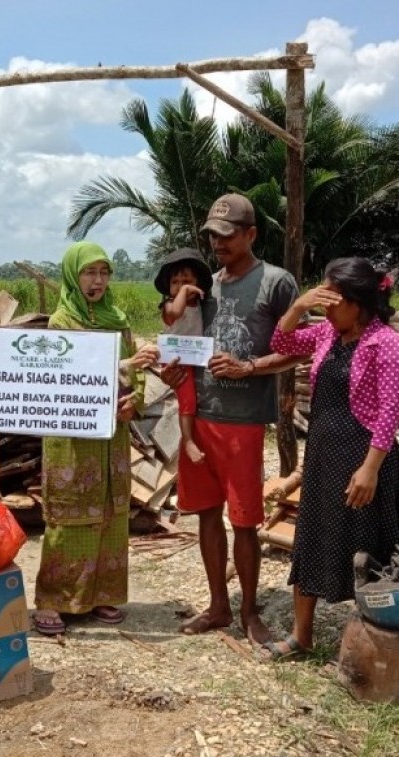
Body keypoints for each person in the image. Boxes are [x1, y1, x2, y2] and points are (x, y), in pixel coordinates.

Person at [164, 194, 302, 645]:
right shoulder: (206, 285)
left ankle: (248, 611)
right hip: (200, 416)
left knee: (244, 520)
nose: (217, 243)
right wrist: (171, 365)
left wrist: (250, 367)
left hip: (243, 422)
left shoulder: (276, 283)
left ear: (250, 235)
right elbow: (184, 340)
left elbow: (298, 347)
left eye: (226, 236)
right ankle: (218, 605)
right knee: (206, 514)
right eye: (212, 236)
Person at [263, 258, 399, 659]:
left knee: (367, 547)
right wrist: (298, 307)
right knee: (310, 538)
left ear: (358, 302)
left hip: (363, 460)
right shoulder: (326, 333)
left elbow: (390, 413)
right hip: (323, 455)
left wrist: (370, 468)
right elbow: (282, 343)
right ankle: (301, 636)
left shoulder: (385, 343)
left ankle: (373, 645)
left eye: (332, 299)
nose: (326, 306)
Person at [32, 242, 153, 636]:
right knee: (70, 514)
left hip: (111, 435)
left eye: (104, 273)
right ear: (73, 275)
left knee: (111, 513)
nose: (98, 280)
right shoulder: (61, 324)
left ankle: (102, 593)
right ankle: (54, 599)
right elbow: (66, 377)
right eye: (89, 272)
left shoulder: (117, 319)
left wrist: (133, 396)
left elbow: (135, 374)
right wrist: (121, 370)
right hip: (72, 436)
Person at [154, 248, 213, 464]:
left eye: (186, 280)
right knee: (187, 398)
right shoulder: (169, 305)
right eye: (175, 282)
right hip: (175, 358)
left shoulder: (201, 305)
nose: (180, 286)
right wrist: (185, 290)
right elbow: (176, 314)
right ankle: (187, 440)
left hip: (195, 355)